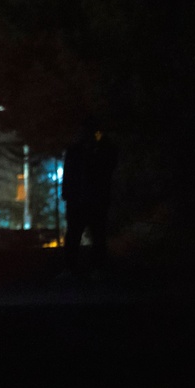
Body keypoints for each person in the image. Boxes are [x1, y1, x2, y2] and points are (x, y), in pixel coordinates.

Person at [60, 116, 118, 280]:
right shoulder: (80, 150)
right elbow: (69, 173)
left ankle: (86, 268)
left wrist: (67, 194)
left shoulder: (97, 149)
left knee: (91, 234)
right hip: (85, 198)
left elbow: (69, 173)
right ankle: (81, 268)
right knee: (82, 235)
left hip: (89, 198)